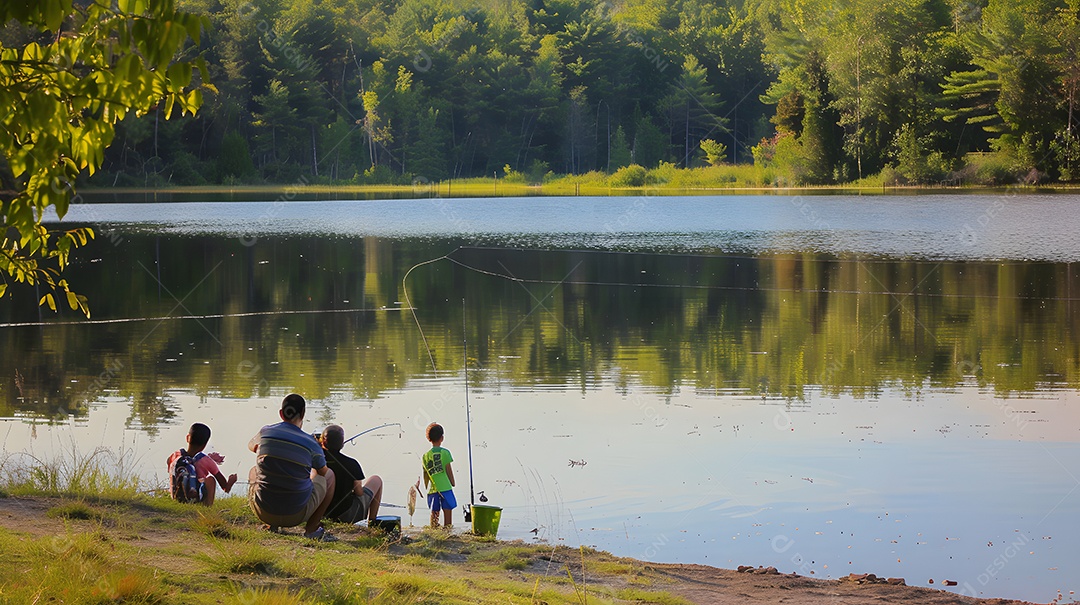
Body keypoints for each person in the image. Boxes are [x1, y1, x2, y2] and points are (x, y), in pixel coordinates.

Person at [247, 394, 338, 541]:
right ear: (303, 414)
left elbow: (251, 445)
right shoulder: (311, 443)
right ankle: (312, 529)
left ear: (281, 414)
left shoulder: (266, 432)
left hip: (263, 512)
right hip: (296, 516)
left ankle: (272, 524)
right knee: (330, 476)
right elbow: (323, 472)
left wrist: (267, 448)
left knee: (253, 471)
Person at [319, 424, 384, 525]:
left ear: (323, 441)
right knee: (376, 479)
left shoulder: (317, 462)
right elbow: (359, 492)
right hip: (347, 515)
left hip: (321, 512)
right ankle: (372, 522)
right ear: (342, 444)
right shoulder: (352, 464)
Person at [167, 422, 237, 506]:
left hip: (176, 498)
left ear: (187, 438)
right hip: (195, 500)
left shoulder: (175, 455)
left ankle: (174, 497)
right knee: (210, 479)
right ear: (205, 444)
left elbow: (170, 466)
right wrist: (231, 480)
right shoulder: (206, 461)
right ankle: (207, 506)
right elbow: (225, 488)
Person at [421, 422, 456, 528]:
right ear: (442, 438)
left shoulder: (425, 456)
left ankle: (434, 531)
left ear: (429, 438)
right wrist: (453, 483)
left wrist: (426, 486)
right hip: (445, 487)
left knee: (434, 515)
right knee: (448, 515)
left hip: (433, 489)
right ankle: (447, 533)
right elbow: (448, 470)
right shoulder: (445, 453)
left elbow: (425, 476)